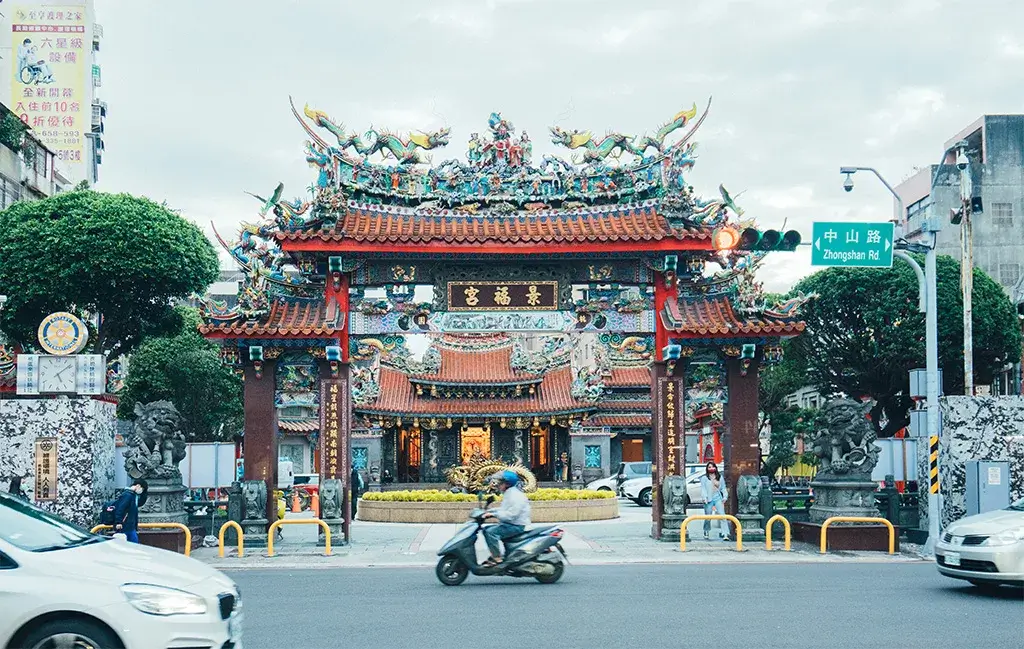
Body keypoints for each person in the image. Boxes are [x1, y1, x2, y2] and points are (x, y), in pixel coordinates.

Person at [481, 470, 531, 567]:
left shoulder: (515, 496)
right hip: (510, 523)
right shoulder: (509, 493)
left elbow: (511, 515)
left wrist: (494, 515)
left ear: (507, 484)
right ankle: (497, 555)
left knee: (490, 532)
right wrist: (491, 511)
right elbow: (504, 509)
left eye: (500, 482)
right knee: (487, 529)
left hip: (516, 526)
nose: (497, 484)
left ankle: (497, 558)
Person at [113, 479, 148, 543]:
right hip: (125, 525)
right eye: (142, 489)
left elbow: (141, 502)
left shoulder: (133, 496)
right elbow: (120, 509)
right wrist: (118, 522)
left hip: (130, 525)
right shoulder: (127, 495)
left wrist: (144, 494)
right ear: (138, 486)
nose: (141, 491)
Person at [700, 462, 728, 541]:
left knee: (722, 515)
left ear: (715, 468)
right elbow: (703, 489)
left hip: (717, 498)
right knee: (708, 517)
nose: (711, 468)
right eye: (709, 467)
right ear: (707, 469)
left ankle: (725, 533)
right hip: (708, 499)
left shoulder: (720, 477)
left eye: (713, 467)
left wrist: (725, 496)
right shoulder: (704, 478)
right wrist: (704, 497)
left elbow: (723, 488)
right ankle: (706, 531)